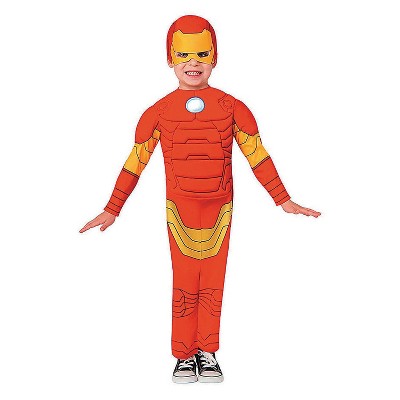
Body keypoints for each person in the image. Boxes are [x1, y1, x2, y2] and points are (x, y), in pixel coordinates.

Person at [79, 15, 321, 384]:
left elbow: (257, 154)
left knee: (212, 284)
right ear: (170, 59)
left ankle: (207, 352)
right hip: (180, 210)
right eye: (183, 55)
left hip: (220, 209)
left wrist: (283, 199)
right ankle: (183, 355)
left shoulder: (233, 107)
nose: (193, 63)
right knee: (184, 282)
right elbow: (136, 161)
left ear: (215, 58)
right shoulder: (158, 112)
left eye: (202, 54)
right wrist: (112, 208)